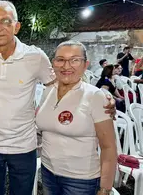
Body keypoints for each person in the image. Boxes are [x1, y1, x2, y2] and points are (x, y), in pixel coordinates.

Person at [0, 0, 116, 195]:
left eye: (5, 21)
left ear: (17, 27)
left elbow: (63, 80)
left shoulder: (35, 56)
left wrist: (101, 94)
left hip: (24, 146)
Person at [36, 41, 117, 195]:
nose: (66, 66)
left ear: (85, 64)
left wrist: (105, 188)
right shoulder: (47, 91)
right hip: (48, 172)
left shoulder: (95, 96)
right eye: (60, 59)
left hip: (81, 180)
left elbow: (108, 147)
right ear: (53, 63)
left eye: (74, 60)